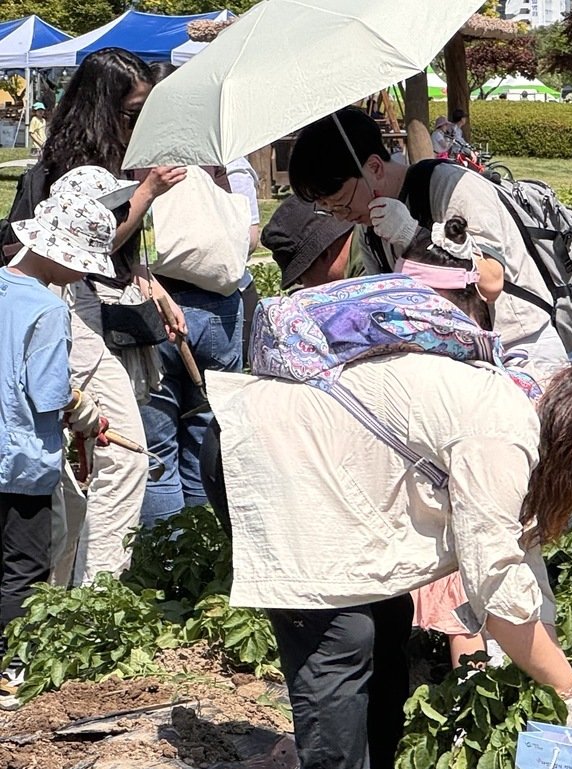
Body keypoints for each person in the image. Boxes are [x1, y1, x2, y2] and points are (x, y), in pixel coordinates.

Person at [204, 352, 572, 769]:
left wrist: (551, 657)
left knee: (387, 620)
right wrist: (567, 689)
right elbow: (495, 586)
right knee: (340, 639)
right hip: (271, 455)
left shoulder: (528, 419)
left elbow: (524, 568)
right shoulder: (502, 436)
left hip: (331, 472)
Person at [9, 49, 188, 584]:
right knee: (124, 453)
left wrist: (153, 286)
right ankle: (97, 593)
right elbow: (89, 249)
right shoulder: (80, 169)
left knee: (75, 472)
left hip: (63, 305)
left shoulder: (81, 157)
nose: (138, 122)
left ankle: (61, 593)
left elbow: (100, 258)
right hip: (62, 308)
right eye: (132, 112)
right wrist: (147, 192)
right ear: (103, 106)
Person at [287, 106, 569, 385]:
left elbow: (491, 282)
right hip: (461, 364)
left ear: (374, 167)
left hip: (521, 350)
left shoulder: (451, 186)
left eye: (341, 202)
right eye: (328, 209)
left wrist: (413, 238)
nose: (340, 215)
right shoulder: (370, 230)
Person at [0, 194, 116, 702]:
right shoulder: (47, 309)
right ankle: (12, 670)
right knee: (23, 569)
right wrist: (85, 416)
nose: (79, 275)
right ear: (60, 255)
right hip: (22, 460)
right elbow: (48, 394)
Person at [138, 63, 252, 525]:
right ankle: (204, 553)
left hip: (161, 306)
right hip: (223, 307)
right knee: (207, 438)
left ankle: (163, 566)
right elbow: (249, 231)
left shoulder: (143, 156)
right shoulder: (213, 152)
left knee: (157, 445)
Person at [262, 196, 362, 291]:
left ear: (325, 254)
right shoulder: (368, 240)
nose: (304, 287)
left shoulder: (365, 282)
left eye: (299, 279)